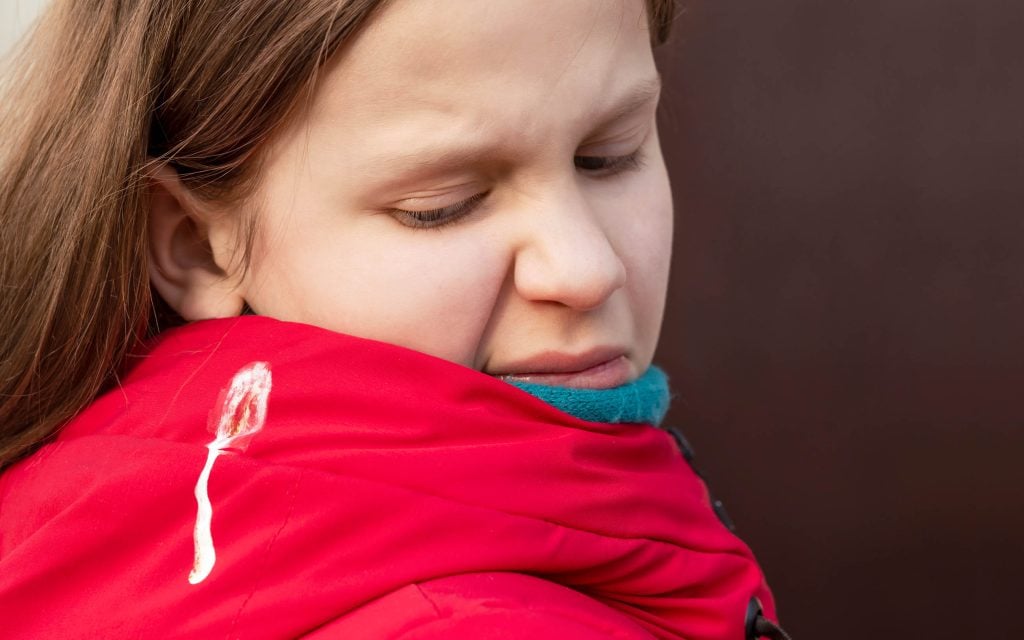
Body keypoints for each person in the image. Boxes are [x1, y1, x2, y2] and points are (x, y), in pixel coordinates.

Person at [0, 0, 787, 638]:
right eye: (440, 208)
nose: (586, 269)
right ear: (198, 249)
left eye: (606, 156)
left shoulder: (74, 527)